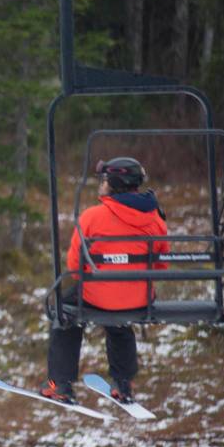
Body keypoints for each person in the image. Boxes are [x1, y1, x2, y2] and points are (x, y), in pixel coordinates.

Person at [41, 156, 170, 405]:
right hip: (139, 299)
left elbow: (74, 266)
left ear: (112, 182)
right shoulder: (156, 219)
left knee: (64, 310)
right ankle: (123, 383)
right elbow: (161, 264)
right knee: (120, 318)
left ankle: (60, 383)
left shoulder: (92, 217)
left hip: (97, 298)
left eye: (103, 179)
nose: (101, 184)